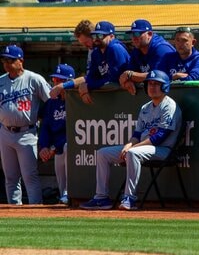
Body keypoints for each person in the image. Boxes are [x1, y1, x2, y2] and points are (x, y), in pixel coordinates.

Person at [80, 70, 182, 211]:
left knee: (132, 153)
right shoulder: (145, 107)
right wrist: (128, 145)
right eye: (150, 84)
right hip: (143, 147)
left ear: (165, 87)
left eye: (157, 84)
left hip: (163, 150)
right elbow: (137, 134)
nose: (152, 87)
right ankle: (101, 197)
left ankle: (130, 198)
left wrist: (131, 148)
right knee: (103, 153)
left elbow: (159, 138)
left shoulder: (169, 106)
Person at [0, 45, 50, 205]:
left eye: (11, 60)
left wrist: (44, 121)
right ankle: (14, 212)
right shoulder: (1, 81)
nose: (7, 63)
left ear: (21, 60)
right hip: (5, 133)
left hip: (27, 132)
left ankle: (36, 210)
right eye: (4, 60)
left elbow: (50, 101)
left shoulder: (34, 79)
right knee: (10, 177)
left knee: (29, 175)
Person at [54, 21, 130, 105]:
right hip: (113, 100)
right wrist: (82, 85)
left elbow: (114, 79)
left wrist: (88, 86)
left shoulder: (114, 48)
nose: (85, 46)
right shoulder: (96, 53)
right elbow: (90, 77)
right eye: (95, 35)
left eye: (86, 42)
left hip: (127, 97)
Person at [40, 63, 74, 205]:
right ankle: (63, 195)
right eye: (55, 80)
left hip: (69, 146)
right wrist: (44, 147)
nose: (56, 83)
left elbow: (73, 131)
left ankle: (68, 193)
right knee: (61, 152)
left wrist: (53, 148)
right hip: (56, 148)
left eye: (60, 80)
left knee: (66, 147)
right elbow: (45, 126)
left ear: (68, 82)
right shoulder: (51, 103)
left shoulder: (76, 101)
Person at [118, 19, 177, 95]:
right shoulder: (137, 50)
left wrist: (130, 75)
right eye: (132, 34)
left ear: (149, 34)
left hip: (172, 92)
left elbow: (156, 76)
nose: (134, 38)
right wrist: (128, 81)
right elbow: (127, 74)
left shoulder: (162, 49)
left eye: (137, 34)